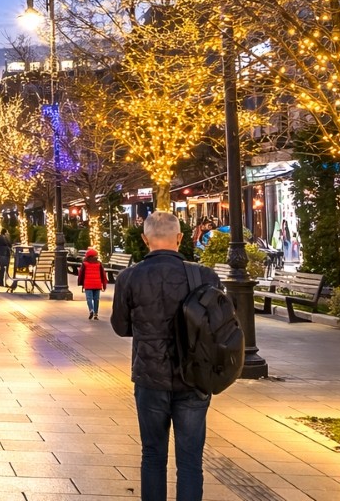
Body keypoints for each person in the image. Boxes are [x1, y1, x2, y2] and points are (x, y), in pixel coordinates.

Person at [111, 211, 220, 501]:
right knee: (190, 461)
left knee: (153, 455)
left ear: (145, 239)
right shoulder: (205, 276)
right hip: (195, 377)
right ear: (180, 237)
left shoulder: (129, 276)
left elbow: (120, 327)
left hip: (150, 375)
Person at [77, 248, 108, 320]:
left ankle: (91, 310)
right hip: (97, 284)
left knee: (89, 298)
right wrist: (104, 284)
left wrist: (80, 283)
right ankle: (96, 314)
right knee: (96, 299)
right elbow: (103, 274)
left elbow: (81, 274)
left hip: (88, 284)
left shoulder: (84, 264)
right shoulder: (99, 264)